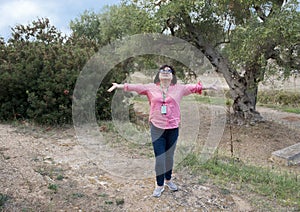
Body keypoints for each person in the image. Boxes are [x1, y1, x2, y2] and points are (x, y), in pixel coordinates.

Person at [108, 65, 217, 197]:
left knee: (169, 157)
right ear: (158, 75)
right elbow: (136, 86)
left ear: (172, 76)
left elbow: (194, 87)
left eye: (169, 71)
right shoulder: (151, 87)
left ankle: (168, 179)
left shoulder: (179, 88)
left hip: (173, 128)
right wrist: (119, 86)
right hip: (157, 128)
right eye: (163, 71)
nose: (165, 73)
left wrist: (209, 87)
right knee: (160, 158)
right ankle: (159, 185)